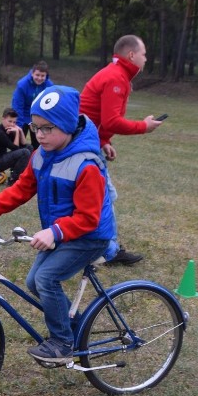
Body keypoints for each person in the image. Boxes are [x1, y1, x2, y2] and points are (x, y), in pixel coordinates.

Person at [0, 85, 117, 364]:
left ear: (69, 126)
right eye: (35, 127)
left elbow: (88, 217)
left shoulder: (87, 165)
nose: (40, 135)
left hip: (89, 235)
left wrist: (55, 231)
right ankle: (75, 329)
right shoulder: (41, 155)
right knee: (34, 281)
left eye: (48, 128)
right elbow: (22, 188)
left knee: (46, 279)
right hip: (62, 231)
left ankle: (62, 343)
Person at [78, 34, 164, 266]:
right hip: (84, 146)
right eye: (144, 54)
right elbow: (111, 120)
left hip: (87, 142)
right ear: (131, 55)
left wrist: (104, 141)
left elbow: (97, 117)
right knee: (104, 198)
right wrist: (144, 127)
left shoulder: (116, 74)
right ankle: (108, 252)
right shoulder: (117, 78)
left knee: (96, 197)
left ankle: (97, 248)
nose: (146, 59)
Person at [11, 61, 54, 148]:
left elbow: (50, 105)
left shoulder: (49, 86)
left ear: (46, 76)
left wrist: (45, 122)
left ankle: (36, 159)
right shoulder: (22, 85)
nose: (39, 78)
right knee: (18, 144)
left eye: (42, 76)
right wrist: (19, 126)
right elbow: (18, 106)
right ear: (32, 74)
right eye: (37, 75)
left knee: (38, 144)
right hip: (23, 115)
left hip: (38, 116)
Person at [0, 107, 32, 185]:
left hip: (2, 157)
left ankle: (17, 174)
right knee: (24, 152)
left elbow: (23, 144)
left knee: (28, 147)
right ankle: (13, 180)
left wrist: (20, 130)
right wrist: (17, 133)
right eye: (10, 121)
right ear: (3, 119)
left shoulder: (10, 129)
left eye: (14, 122)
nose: (12, 124)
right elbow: (15, 148)